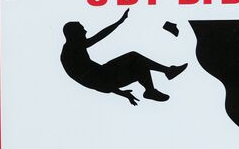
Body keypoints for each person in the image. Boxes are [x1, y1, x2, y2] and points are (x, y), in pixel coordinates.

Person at [59, 9, 187, 105]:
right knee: (135, 58)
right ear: (74, 34)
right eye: (82, 30)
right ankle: (164, 75)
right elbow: (94, 82)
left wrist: (119, 22)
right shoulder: (70, 52)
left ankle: (153, 87)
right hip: (107, 78)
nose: (85, 31)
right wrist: (121, 93)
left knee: (137, 62)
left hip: (105, 76)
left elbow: (99, 37)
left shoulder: (74, 48)